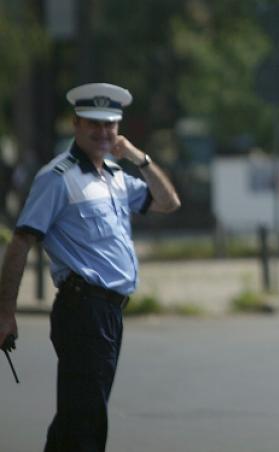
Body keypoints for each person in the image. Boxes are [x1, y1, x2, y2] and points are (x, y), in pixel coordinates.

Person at [0, 82, 181, 451]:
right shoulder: (57, 177)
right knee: (85, 422)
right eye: (93, 124)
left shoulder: (114, 176)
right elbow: (21, 242)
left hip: (109, 313)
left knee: (77, 419)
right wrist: (5, 312)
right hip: (83, 310)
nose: (102, 133)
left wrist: (137, 156)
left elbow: (168, 202)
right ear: (76, 125)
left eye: (109, 125)